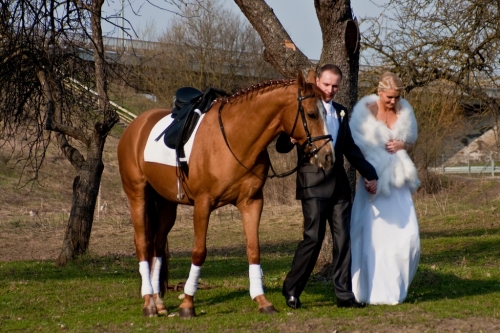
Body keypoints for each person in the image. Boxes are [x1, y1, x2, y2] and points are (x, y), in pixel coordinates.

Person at [276, 64, 378, 309]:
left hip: (340, 187)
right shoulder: (304, 109)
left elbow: (350, 149)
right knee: (313, 238)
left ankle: (344, 295)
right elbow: (281, 145)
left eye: (335, 86)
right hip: (312, 184)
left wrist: (369, 172)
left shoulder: (342, 112)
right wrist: (288, 140)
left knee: (343, 241)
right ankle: (292, 289)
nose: (330, 90)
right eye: (326, 84)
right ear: (317, 81)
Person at [349, 72, 421, 305]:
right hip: (373, 185)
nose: (393, 101)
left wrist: (403, 144)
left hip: (398, 183)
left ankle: (396, 288)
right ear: (379, 92)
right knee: (375, 240)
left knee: (408, 238)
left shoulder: (405, 111)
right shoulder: (364, 113)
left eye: (397, 97)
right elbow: (355, 151)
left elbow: (411, 140)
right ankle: (371, 292)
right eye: (389, 96)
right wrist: (367, 176)